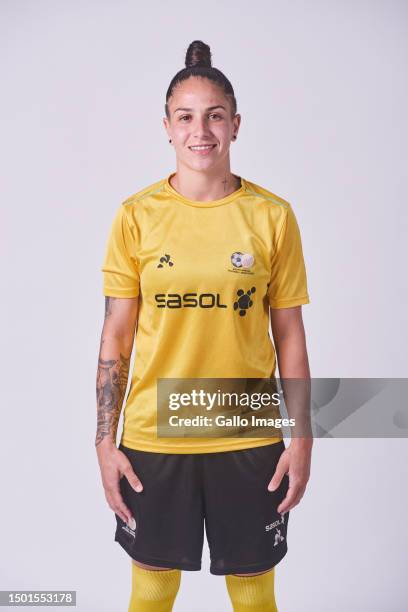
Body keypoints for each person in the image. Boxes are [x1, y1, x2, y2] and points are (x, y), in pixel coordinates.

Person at [96, 39, 313, 612]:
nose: (201, 131)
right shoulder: (136, 216)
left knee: (253, 590)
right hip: (153, 432)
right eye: (186, 117)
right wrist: (103, 440)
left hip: (248, 429)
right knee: (152, 587)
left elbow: (289, 335)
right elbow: (116, 335)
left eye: (215, 116)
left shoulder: (271, 216)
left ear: (236, 125)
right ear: (166, 126)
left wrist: (303, 437)